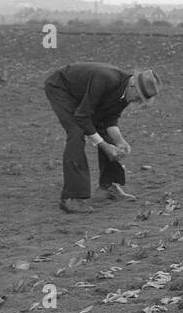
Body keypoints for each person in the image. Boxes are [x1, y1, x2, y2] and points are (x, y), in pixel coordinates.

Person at [44, 62, 160, 213]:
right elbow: (82, 117)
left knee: (101, 129)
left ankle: (107, 186)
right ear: (132, 85)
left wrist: (120, 141)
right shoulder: (105, 79)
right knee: (76, 132)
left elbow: (109, 119)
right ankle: (71, 198)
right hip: (62, 88)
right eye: (139, 97)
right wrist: (104, 146)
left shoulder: (126, 91)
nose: (137, 102)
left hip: (83, 95)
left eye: (142, 100)